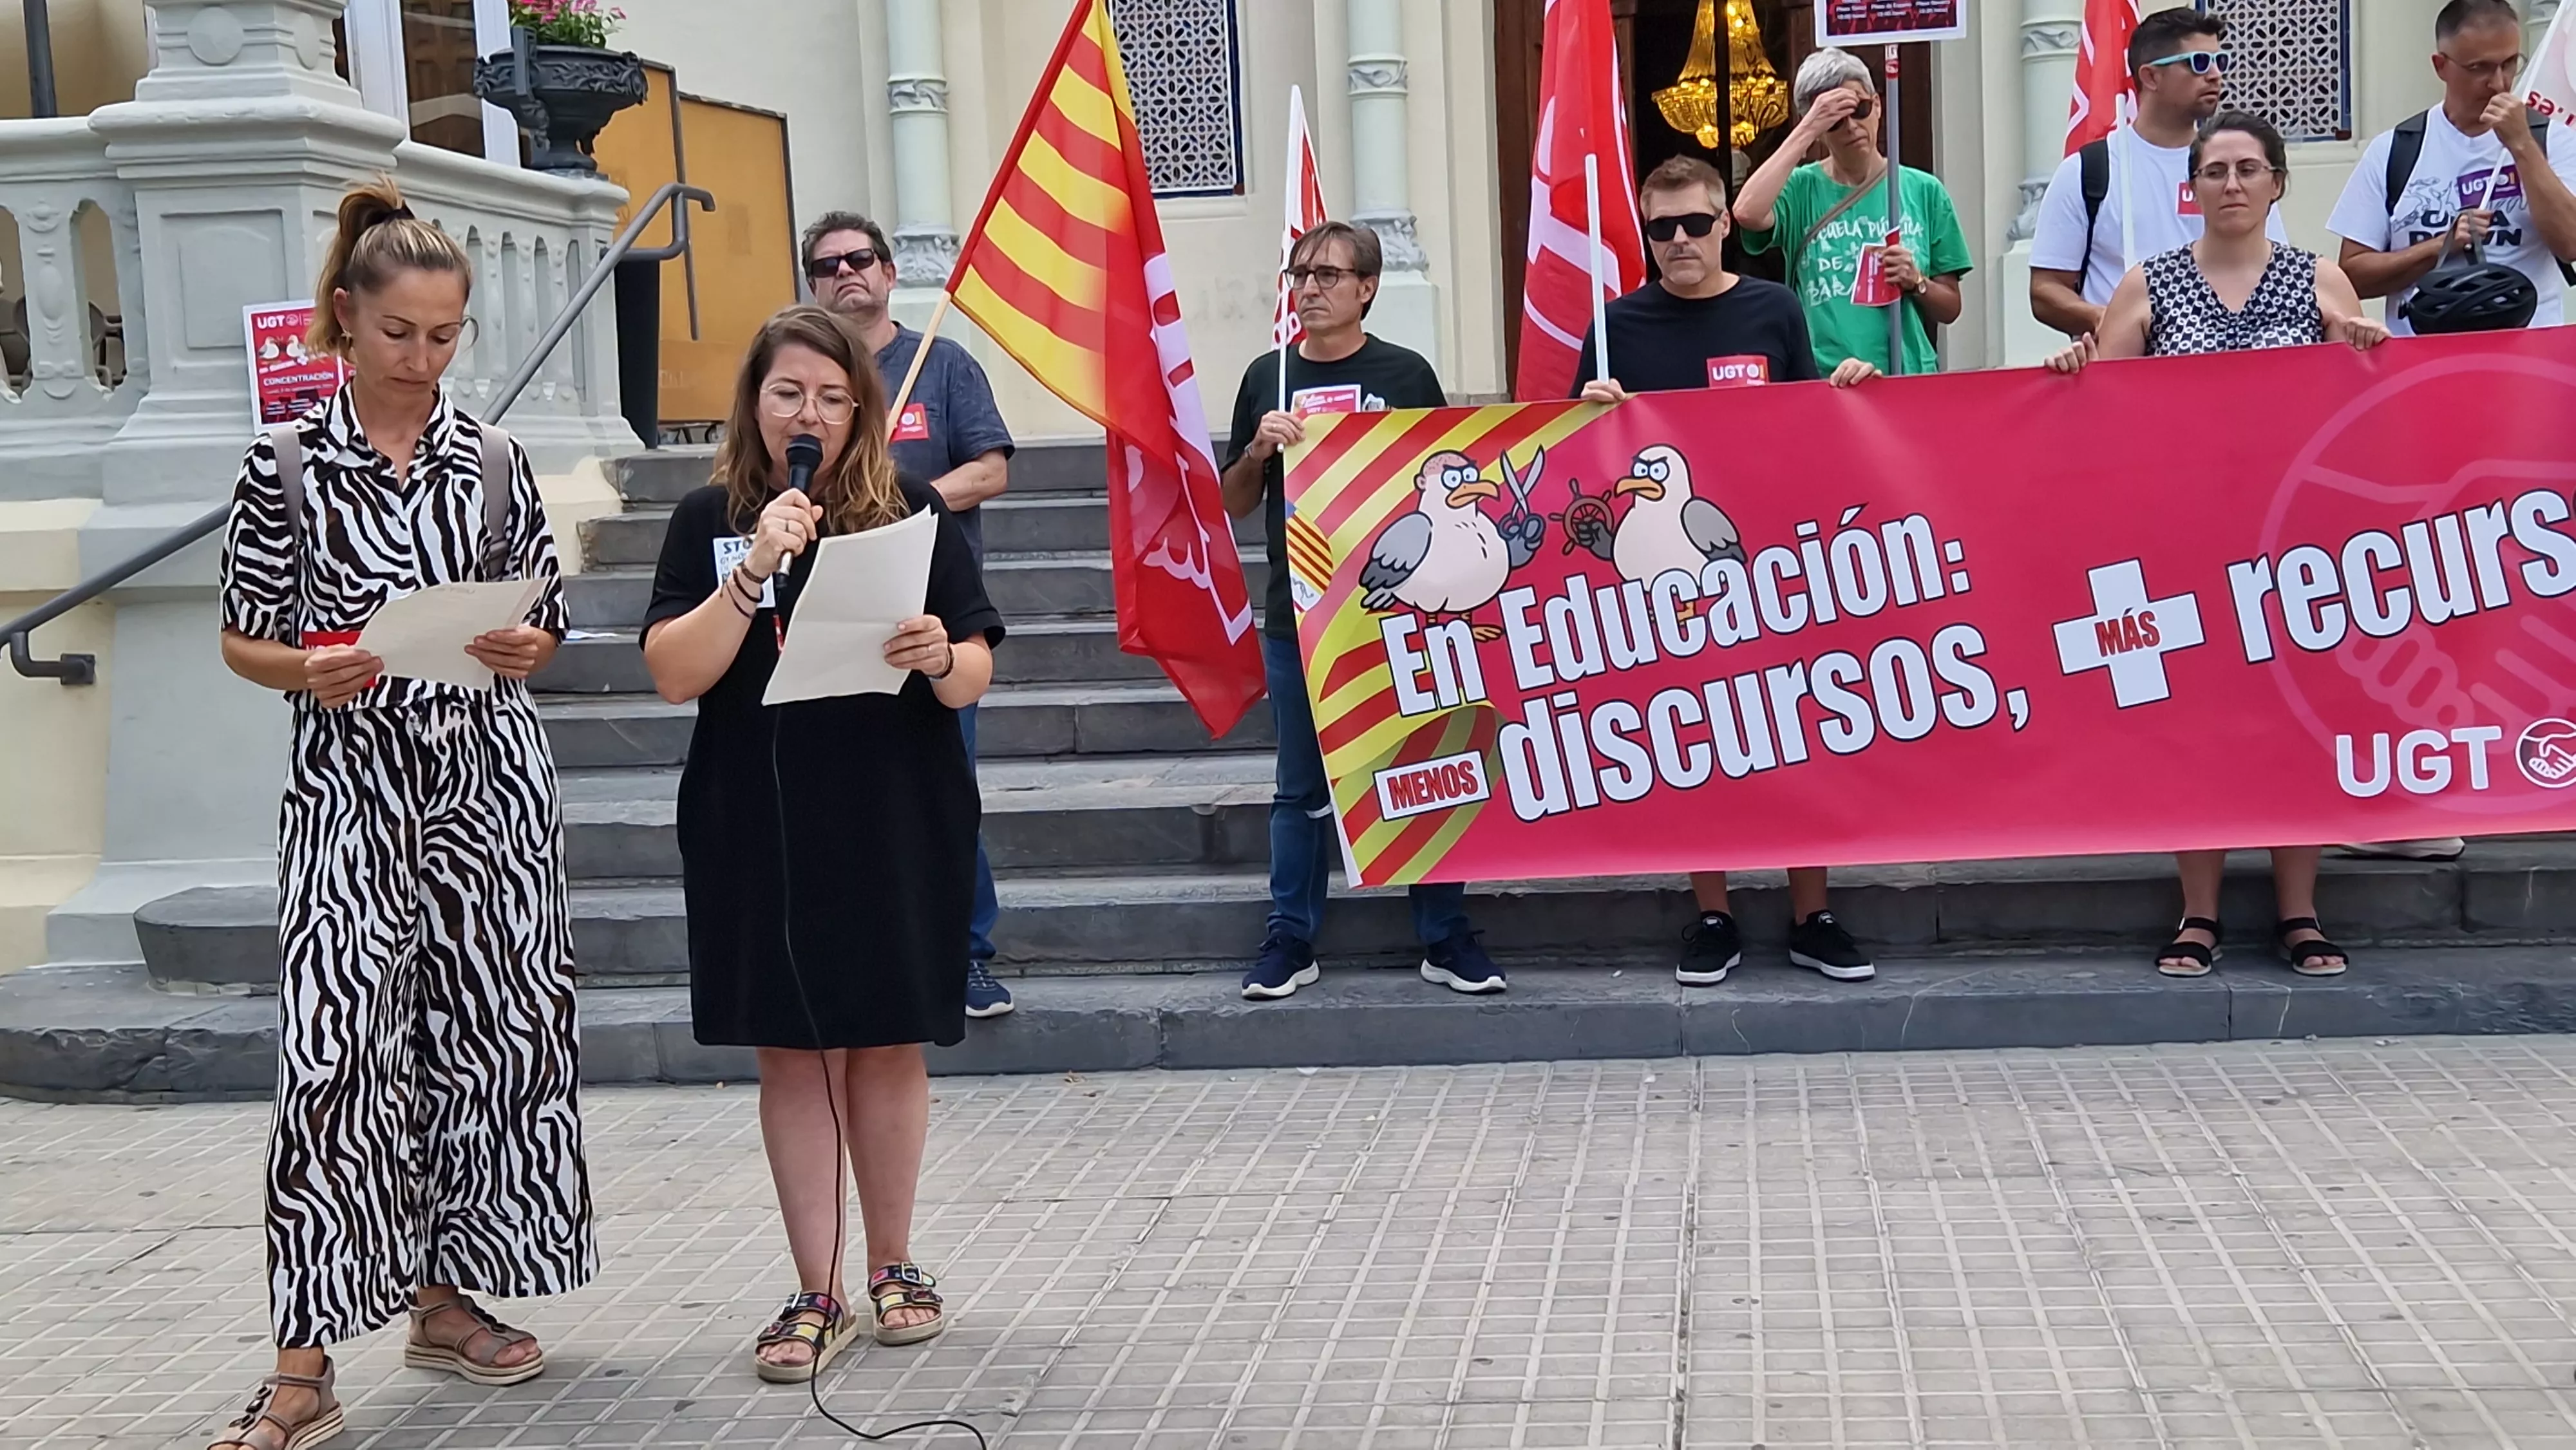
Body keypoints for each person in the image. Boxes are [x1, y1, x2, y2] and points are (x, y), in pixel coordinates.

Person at [207, 178, 594, 1450]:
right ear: (344, 320)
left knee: (475, 1046)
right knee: (330, 1063)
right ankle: (301, 1364)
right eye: (398, 335)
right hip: (352, 796)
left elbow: (545, 607)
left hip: (482, 790)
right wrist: (305, 669)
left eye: (443, 335)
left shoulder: (490, 458)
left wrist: (531, 638)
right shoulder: (283, 466)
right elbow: (239, 640)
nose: (421, 359)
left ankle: (442, 1298)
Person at [641, 305, 1003, 1376]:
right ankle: (817, 1288)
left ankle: (895, 1263)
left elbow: (976, 669)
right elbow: (674, 671)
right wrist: (749, 571)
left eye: (834, 398)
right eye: (790, 392)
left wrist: (942, 652)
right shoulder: (708, 515)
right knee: (792, 1049)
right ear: (755, 402)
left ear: (864, 410)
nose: (812, 414)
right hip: (758, 816)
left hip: (892, 805)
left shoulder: (912, 508)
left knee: (885, 1036)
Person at [2045, 113, 2389, 981]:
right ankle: (2197, 913)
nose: (2232, 184)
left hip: (2295, 549)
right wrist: (2073, 374)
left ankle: (2299, 912)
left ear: (2277, 183)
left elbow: (2361, 413)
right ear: (2190, 189)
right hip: (2185, 544)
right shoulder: (2147, 284)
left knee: (2296, 721)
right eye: (2216, 170)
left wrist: (2365, 352)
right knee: (2194, 726)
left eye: (2249, 168)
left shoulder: (2322, 280)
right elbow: (2101, 409)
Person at [1571, 155, 1879, 990]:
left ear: (1723, 226)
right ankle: (1713, 914)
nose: (1679, 241)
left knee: (1796, 733)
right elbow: (1578, 473)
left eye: (1696, 224)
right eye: (1661, 228)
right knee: (1693, 736)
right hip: (1666, 590)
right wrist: (1586, 417)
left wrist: (1850, 388)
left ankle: (1812, 913)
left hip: (1770, 571)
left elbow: (1814, 426)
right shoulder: (1613, 329)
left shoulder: (1773, 308)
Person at [1220, 220, 1507, 1001]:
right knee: (1298, 785)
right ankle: (1290, 937)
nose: (1309, 288)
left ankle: (1445, 935)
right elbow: (1232, 502)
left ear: (1367, 289)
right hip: (1299, 616)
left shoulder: (1405, 373)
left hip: (1401, 614)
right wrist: (1255, 451)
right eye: (1299, 274)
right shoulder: (1267, 375)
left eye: (1327, 275)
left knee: (1429, 763)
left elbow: (1449, 473)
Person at [800, 211, 1019, 1017]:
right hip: (823, 615)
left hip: (927, 618)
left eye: (861, 259)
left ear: (890, 274)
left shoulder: (944, 364)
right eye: (827, 265)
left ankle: (965, 954)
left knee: (943, 789)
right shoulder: (805, 373)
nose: (846, 273)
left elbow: (990, 469)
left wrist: (896, 503)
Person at [2029, 7, 2284, 338]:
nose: (2215, 76)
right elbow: (2046, 289)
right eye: (2198, 64)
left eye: (2220, 63)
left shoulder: (2240, 169)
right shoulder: (2089, 171)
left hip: (2225, 363)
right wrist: (2112, 320)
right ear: (2150, 77)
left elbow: (2276, 266)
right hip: (2124, 372)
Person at [1735, 47, 1973, 377]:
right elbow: (1747, 212)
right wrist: (1808, 128)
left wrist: (1916, 281)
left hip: (1905, 374)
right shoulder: (1801, 188)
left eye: (1859, 109)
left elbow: (1950, 307)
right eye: (1835, 121)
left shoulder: (1924, 190)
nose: (1850, 127)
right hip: (1827, 377)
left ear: (1877, 106)